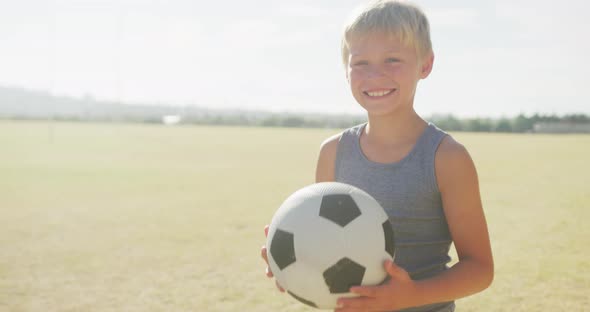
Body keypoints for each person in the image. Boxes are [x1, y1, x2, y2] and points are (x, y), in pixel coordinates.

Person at [261, 0, 494, 311]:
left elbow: (480, 269)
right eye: (361, 63)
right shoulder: (333, 152)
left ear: (425, 65)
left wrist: (412, 295)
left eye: (392, 60)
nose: (375, 75)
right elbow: (325, 245)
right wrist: (295, 265)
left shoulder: (446, 158)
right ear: (346, 71)